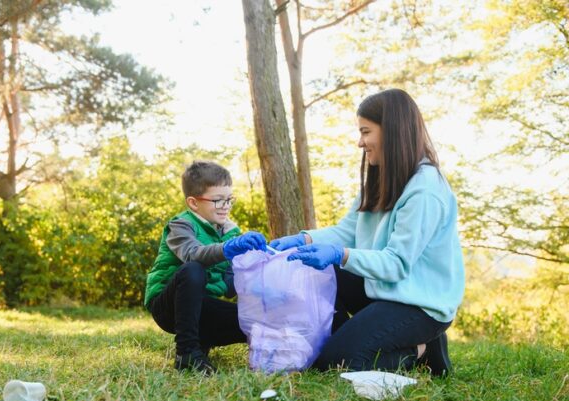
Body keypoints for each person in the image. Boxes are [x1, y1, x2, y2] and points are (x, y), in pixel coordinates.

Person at [270, 89, 464, 376]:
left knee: (336, 364)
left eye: (366, 132)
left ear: (392, 131)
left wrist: (340, 255)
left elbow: (396, 264)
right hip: (384, 290)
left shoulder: (425, 191)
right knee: (314, 275)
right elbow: (348, 231)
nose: (360, 142)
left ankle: (424, 349)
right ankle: (344, 340)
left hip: (420, 304)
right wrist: (304, 239)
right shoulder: (383, 178)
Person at [145, 160, 267, 374]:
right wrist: (229, 248)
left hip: (202, 307)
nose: (226, 206)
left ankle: (202, 338)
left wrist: (259, 271)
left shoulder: (230, 233)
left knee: (254, 320)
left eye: (229, 199)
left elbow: (230, 284)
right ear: (193, 203)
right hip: (169, 306)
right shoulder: (181, 226)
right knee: (194, 269)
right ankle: (187, 352)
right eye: (218, 200)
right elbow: (193, 254)